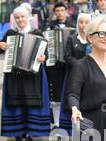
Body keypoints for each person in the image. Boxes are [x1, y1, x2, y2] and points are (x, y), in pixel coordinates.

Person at [0, 6, 50, 141]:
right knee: (16, 103)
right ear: (14, 19)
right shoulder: (10, 33)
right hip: (14, 75)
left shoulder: (37, 33)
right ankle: (18, 134)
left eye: (22, 17)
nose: (20, 20)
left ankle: (30, 133)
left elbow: (46, 53)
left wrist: (44, 57)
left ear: (28, 18)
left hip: (33, 76)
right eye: (17, 17)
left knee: (30, 103)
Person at [44, 2, 75, 134]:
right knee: (55, 95)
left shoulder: (73, 26)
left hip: (69, 65)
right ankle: (56, 123)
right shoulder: (49, 27)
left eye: (62, 10)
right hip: (55, 64)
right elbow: (44, 44)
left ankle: (69, 122)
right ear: (54, 12)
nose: (60, 13)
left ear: (66, 11)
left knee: (69, 93)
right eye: (58, 10)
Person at [61, 12, 92, 135]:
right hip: (74, 76)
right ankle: (73, 132)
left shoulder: (93, 39)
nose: (83, 25)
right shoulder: (72, 39)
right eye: (81, 22)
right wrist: (81, 65)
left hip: (91, 77)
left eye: (86, 22)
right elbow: (68, 57)